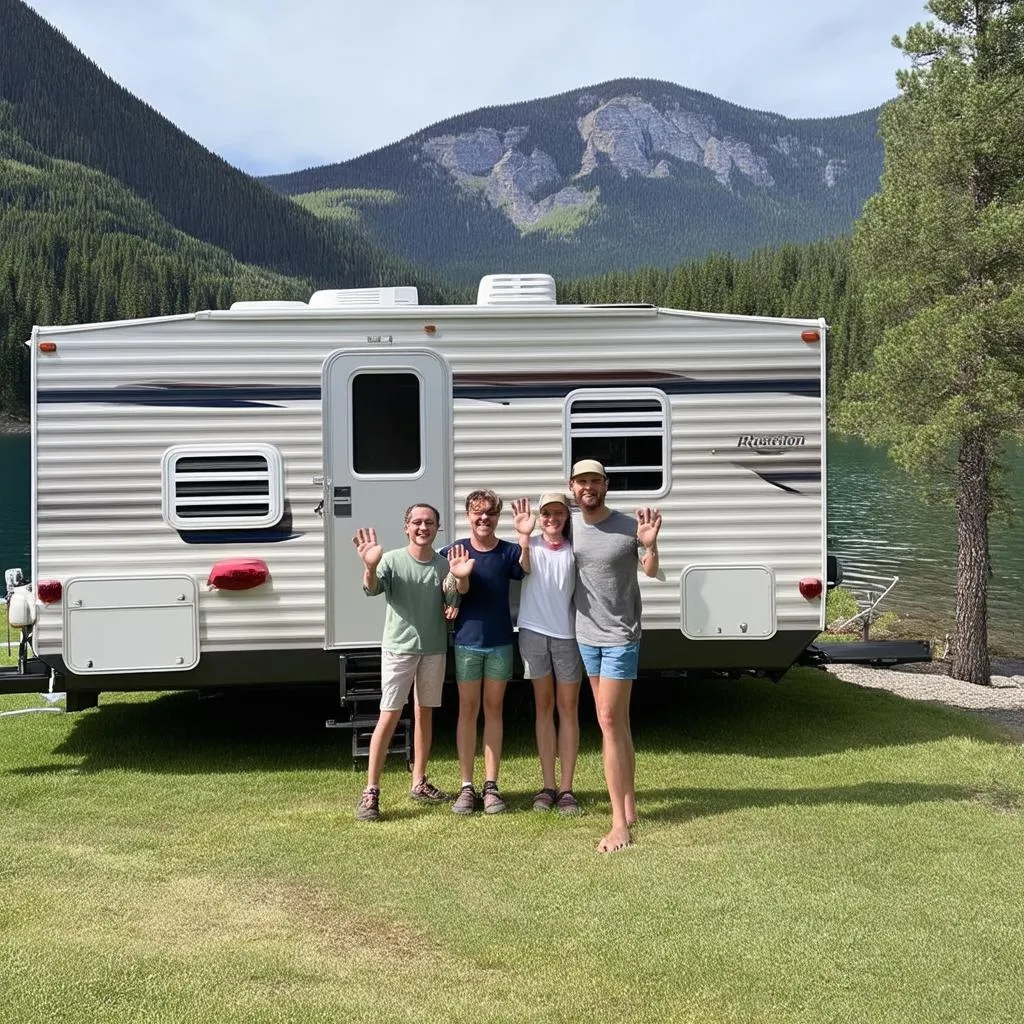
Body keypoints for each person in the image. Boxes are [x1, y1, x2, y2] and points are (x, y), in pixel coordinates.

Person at [352, 503, 472, 822]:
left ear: (438, 528)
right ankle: (371, 791)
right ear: (406, 527)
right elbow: (372, 588)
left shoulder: (444, 564)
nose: (423, 527)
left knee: (424, 715)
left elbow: (452, 600)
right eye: (417, 522)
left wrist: (460, 582)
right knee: (389, 715)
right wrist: (369, 566)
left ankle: (419, 781)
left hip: (433, 649)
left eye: (429, 522)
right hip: (399, 649)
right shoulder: (390, 560)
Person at [568, 459, 662, 853]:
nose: (588, 487)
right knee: (617, 722)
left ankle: (619, 825)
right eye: (581, 481)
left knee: (607, 719)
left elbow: (652, 571)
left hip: (621, 635)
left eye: (595, 481)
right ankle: (630, 805)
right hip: (586, 635)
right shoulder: (568, 526)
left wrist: (650, 544)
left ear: (606, 485)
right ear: (572, 487)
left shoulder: (627, 526)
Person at [441, 489, 530, 815]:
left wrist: (523, 538)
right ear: (468, 515)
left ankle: (491, 786)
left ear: (497, 517)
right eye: (478, 512)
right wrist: (454, 590)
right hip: (466, 644)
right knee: (467, 710)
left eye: (490, 513)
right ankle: (466, 787)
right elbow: (442, 587)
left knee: (494, 710)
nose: (484, 518)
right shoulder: (453, 551)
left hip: (500, 644)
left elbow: (525, 569)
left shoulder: (507, 552)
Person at [515, 492, 583, 815]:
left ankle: (567, 789)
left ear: (566, 517)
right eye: (546, 514)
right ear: (540, 517)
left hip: (567, 636)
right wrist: (524, 538)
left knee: (567, 709)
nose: (552, 519)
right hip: (532, 633)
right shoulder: (531, 548)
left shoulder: (575, 551)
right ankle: (547, 786)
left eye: (558, 514)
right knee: (543, 706)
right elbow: (524, 567)